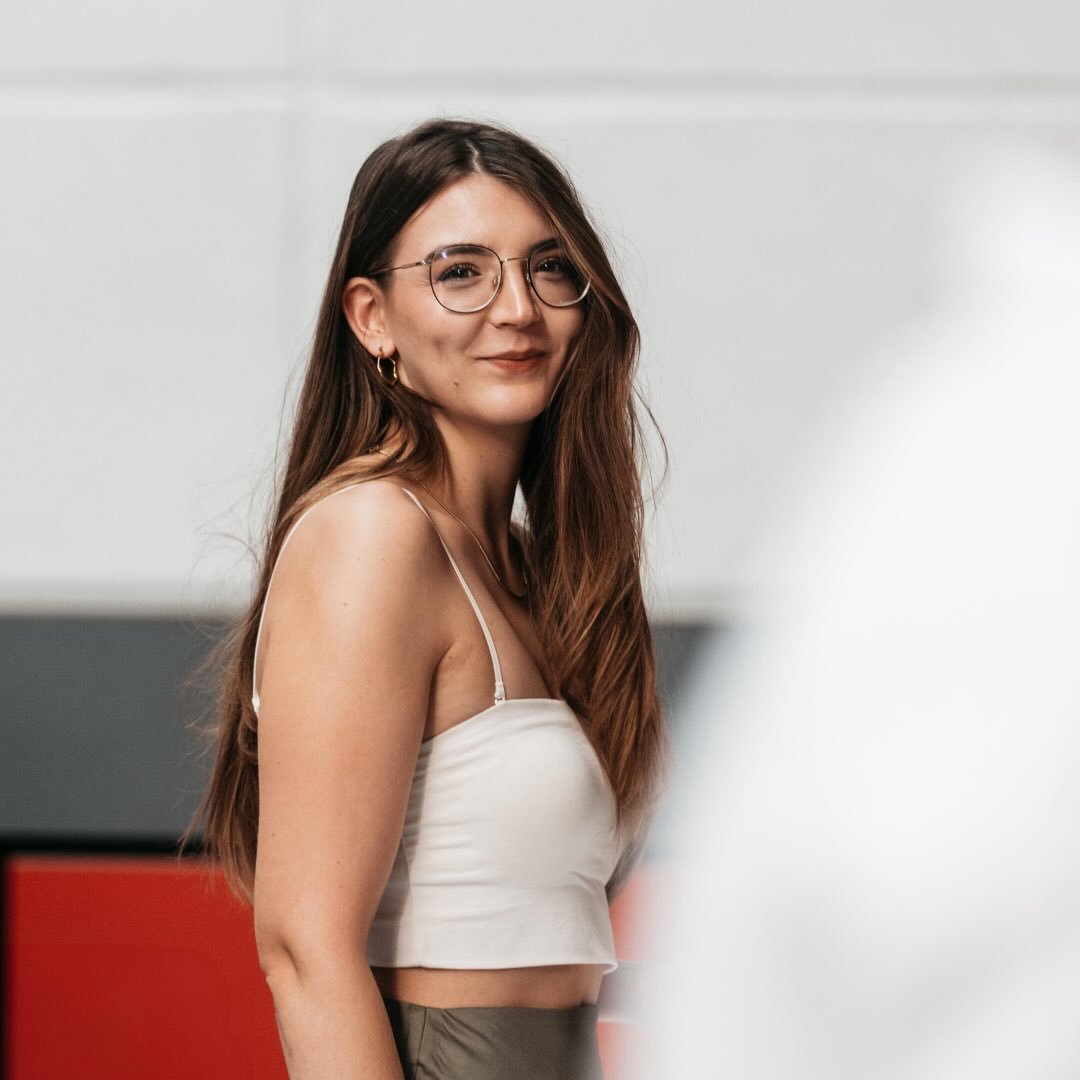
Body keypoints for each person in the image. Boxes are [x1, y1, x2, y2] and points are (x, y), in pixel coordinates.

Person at [182, 118, 669, 1079]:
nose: (517, 309)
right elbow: (305, 952)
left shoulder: (538, 571)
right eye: (460, 272)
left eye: (548, 268)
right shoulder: (373, 533)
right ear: (372, 318)